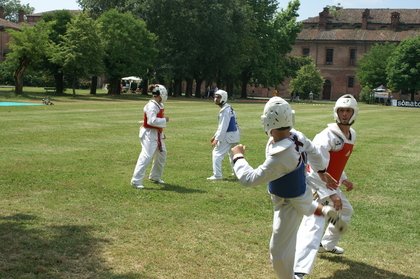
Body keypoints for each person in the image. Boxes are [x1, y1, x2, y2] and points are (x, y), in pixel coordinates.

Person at [231, 97, 344, 279]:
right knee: (306, 206)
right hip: (301, 192)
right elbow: (313, 150)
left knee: (278, 252)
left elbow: (249, 178)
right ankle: (324, 211)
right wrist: (322, 171)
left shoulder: (282, 154)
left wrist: (238, 157)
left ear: (266, 121)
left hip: (287, 201)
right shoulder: (296, 135)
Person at [294, 94, 358, 278]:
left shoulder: (351, 135)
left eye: (348, 111)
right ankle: (297, 270)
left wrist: (343, 178)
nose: (344, 114)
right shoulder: (326, 136)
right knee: (313, 225)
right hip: (316, 185)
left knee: (345, 212)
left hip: (331, 184)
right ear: (336, 112)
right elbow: (314, 166)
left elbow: (335, 163)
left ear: (354, 113)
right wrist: (330, 194)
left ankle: (326, 245)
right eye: (341, 110)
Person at [131, 84, 169, 189]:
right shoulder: (151, 105)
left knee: (162, 154)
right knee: (146, 155)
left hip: (156, 133)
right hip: (149, 133)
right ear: (160, 94)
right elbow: (151, 121)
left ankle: (155, 176)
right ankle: (136, 180)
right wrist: (165, 120)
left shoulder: (159, 105)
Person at [207, 89, 240, 180]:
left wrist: (217, 138)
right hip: (234, 135)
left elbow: (223, 127)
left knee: (216, 154)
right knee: (233, 155)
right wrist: (215, 135)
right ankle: (237, 173)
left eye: (218, 97)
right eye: (215, 97)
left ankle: (217, 175)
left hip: (228, 135)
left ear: (224, 98)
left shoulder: (224, 110)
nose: (215, 99)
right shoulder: (229, 108)